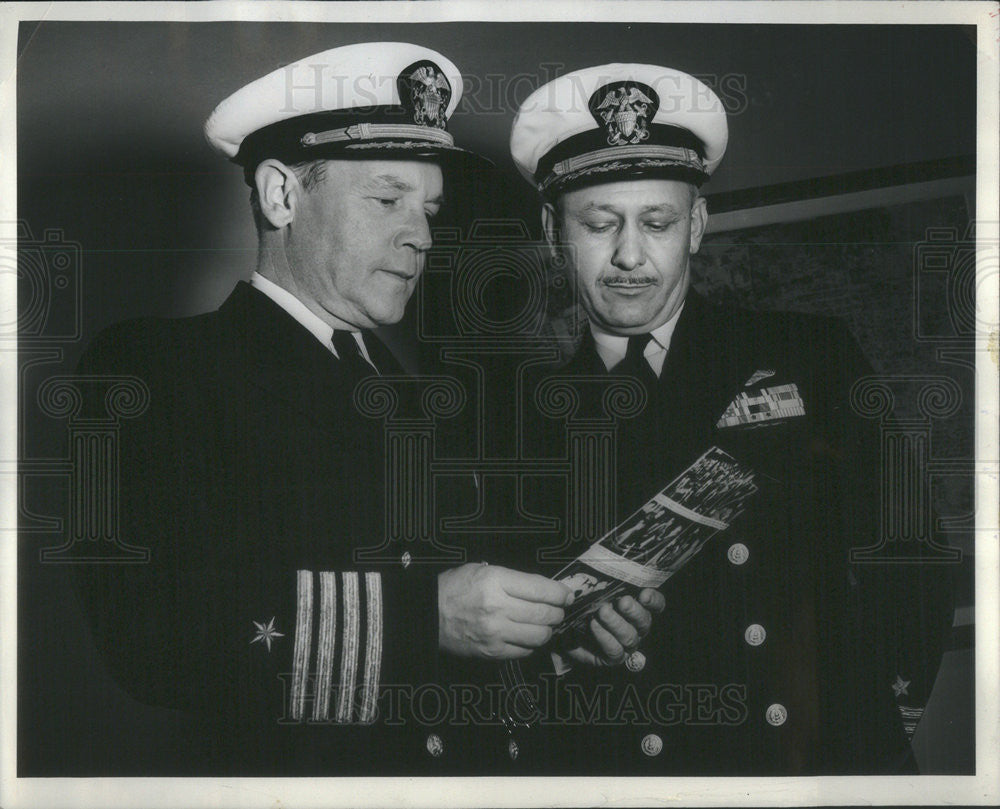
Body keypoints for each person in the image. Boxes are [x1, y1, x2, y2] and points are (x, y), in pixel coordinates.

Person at [72, 43, 661, 775]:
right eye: (387, 200)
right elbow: (151, 632)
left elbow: (462, 643)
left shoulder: (427, 399)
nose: (421, 235)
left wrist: (551, 636)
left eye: (429, 208)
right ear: (282, 194)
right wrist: (426, 619)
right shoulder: (160, 365)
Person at [499, 62, 954, 774]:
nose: (629, 254)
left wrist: (876, 731)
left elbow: (912, 552)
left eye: (657, 221)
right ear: (554, 232)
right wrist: (562, 653)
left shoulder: (809, 354)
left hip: (812, 763)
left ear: (698, 225)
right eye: (598, 223)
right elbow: (504, 661)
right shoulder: (518, 425)